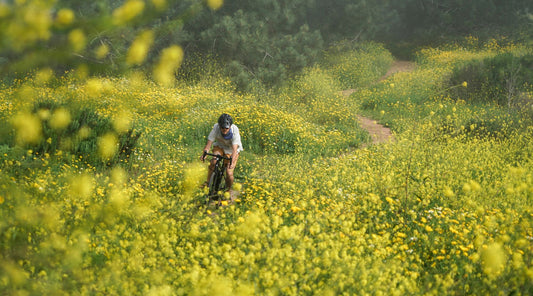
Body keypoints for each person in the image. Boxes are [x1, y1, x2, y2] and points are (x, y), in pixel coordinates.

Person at [200, 113, 243, 190]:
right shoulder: (216, 127)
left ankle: (228, 190)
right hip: (220, 146)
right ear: (219, 126)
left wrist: (232, 162)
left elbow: (234, 149)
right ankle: (207, 183)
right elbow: (209, 144)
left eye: (226, 128)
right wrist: (205, 154)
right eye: (222, 127)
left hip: (231, 150)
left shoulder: (234, 130)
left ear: (230, 126)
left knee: (229, 172)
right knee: (213, 162)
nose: (224, 130)